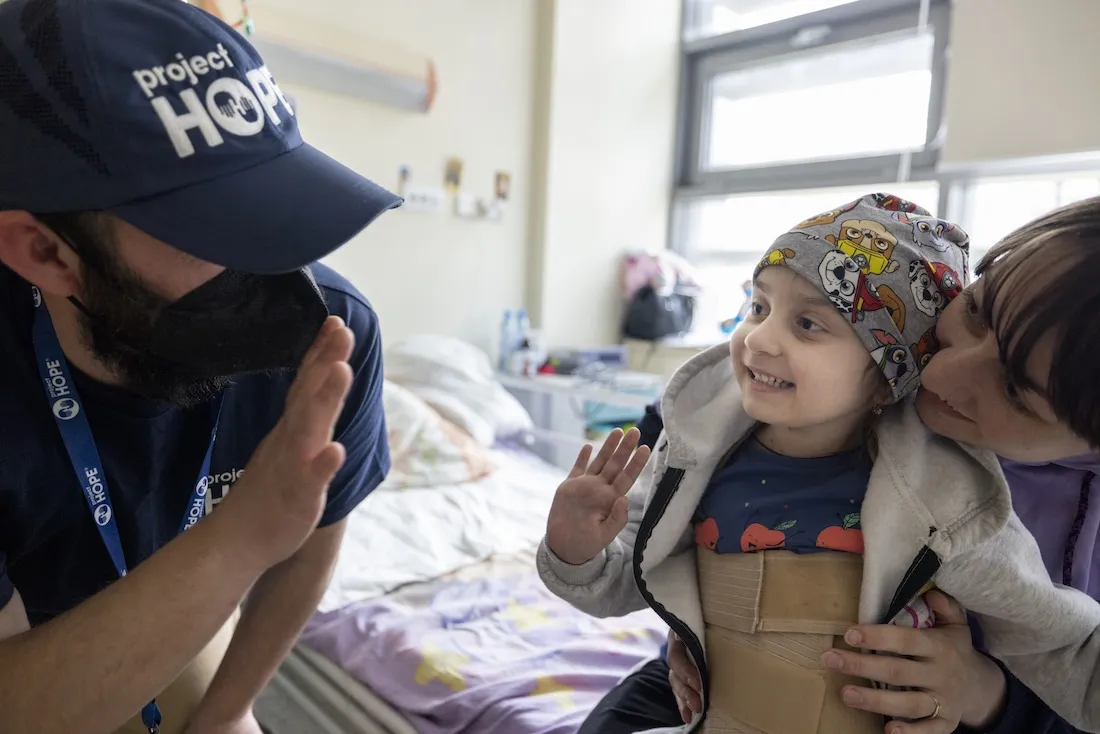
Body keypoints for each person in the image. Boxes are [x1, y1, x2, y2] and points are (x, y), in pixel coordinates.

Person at [538, 194, 1100, 733]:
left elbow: (1068, 654)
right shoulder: (707, 432)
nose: (936, 375)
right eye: (975, 312)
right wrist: (692, 611)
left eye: (1013, 391)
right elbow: (634, 561)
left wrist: (983, 694)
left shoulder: (948, 498)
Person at [0, 1, 403, 733]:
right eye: (216, 225)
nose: (273, 269)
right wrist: (243, 534)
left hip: (186, 600)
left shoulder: (333, 335)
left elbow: (313, 541)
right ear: (45, 252)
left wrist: (228, 714)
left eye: (273, 204)